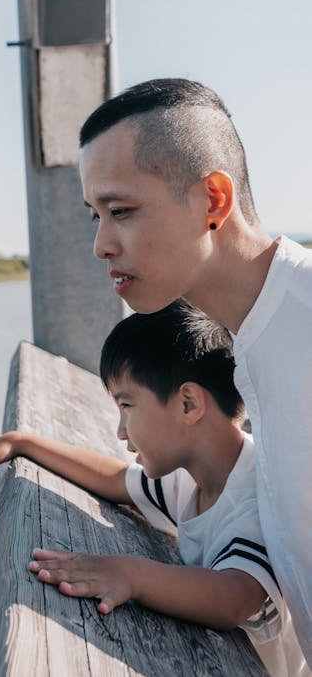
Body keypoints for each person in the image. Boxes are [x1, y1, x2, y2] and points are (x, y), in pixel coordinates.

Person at [78, 78, 312, 666]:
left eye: (122, 210)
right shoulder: (253, 335)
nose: (102, 244)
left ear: (212, 200)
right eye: (95, 216)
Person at [0, 301, 308, 676]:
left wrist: (133, 575)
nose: (120, 430)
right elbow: (113, 479)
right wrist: (22, 442)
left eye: (127, 405)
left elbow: (236, 596)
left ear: (188, 404)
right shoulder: (193, 480)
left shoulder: (260, 495)